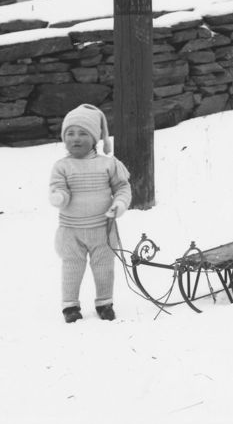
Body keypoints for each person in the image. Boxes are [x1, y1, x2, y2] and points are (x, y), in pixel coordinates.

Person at [49, 103, 132, 323]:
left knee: (104, 267)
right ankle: (70, 306)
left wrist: (120, 204)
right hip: (72, 229)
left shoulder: (108, 164)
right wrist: (59, 196)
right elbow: (59, 188)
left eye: (83, 133)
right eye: (70, 133)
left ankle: (104, 303)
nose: (75, 138)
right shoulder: (62, 167)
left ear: (95, 137)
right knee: (72, 267)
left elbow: (122, 188)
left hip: (102, 229)